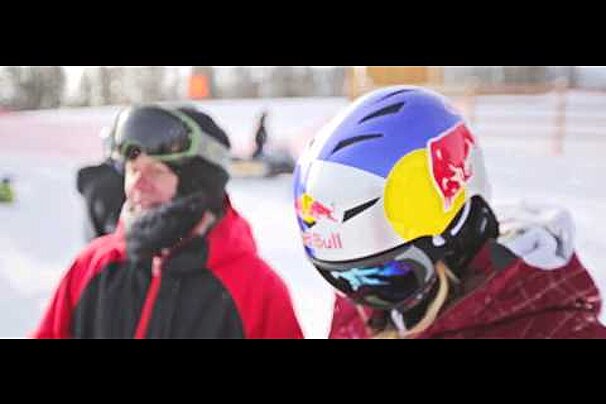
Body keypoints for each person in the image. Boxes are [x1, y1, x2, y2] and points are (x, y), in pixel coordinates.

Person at [293, 85, 606, 339]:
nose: (362, 296)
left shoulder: (557, 331)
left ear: (458, 235)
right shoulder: (362, 312)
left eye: (386, 276)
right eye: (340, 279)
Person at [34, 104, 304, 339]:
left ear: (198, 185)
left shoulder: (258, 291)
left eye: (157, 171)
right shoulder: (91, 267)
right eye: (133, 170)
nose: (137, 184)